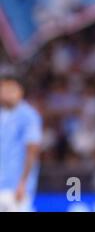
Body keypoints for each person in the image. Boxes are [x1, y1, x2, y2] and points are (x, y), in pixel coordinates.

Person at [0, 73, 43, 212]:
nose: (5, 93)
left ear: (20, 91)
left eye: (10, 89)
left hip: (15, 187)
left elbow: (32, 150)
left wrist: (23, 182)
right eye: (3, 89)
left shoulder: (28, 115)